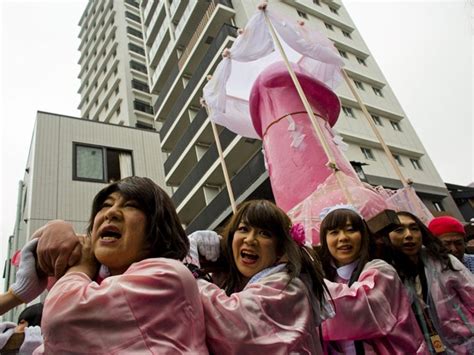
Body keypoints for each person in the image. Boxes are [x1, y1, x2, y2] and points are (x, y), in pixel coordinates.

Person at [34, 176, 208, 354]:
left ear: (156, 230)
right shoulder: (95, 284)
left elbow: (62, 318)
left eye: (130, 205)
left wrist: (81, 267)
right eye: (106, 205)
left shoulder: (167, 275)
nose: (111, 213)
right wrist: (56, 226)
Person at [189, 199, 332, 354]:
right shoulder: (234, 281)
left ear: (280, 249)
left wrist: (190, 271)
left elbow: (234, 327)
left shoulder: (287, 286)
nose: (250, 239)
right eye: (243, 229)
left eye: (265, 233)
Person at [317, 205, 427, 354]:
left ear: (363, 235)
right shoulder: (331, 279)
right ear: (324, 240)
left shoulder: (381, 271)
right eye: (334, 232)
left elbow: (359, 311)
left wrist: (311, 281)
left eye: (351, 230)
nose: (343, 237)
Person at [388, 211, 474, 354]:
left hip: (466, 345)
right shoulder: (385, 274)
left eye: (414, 228)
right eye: (399, 229)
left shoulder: (444, 261)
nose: (409, 234)